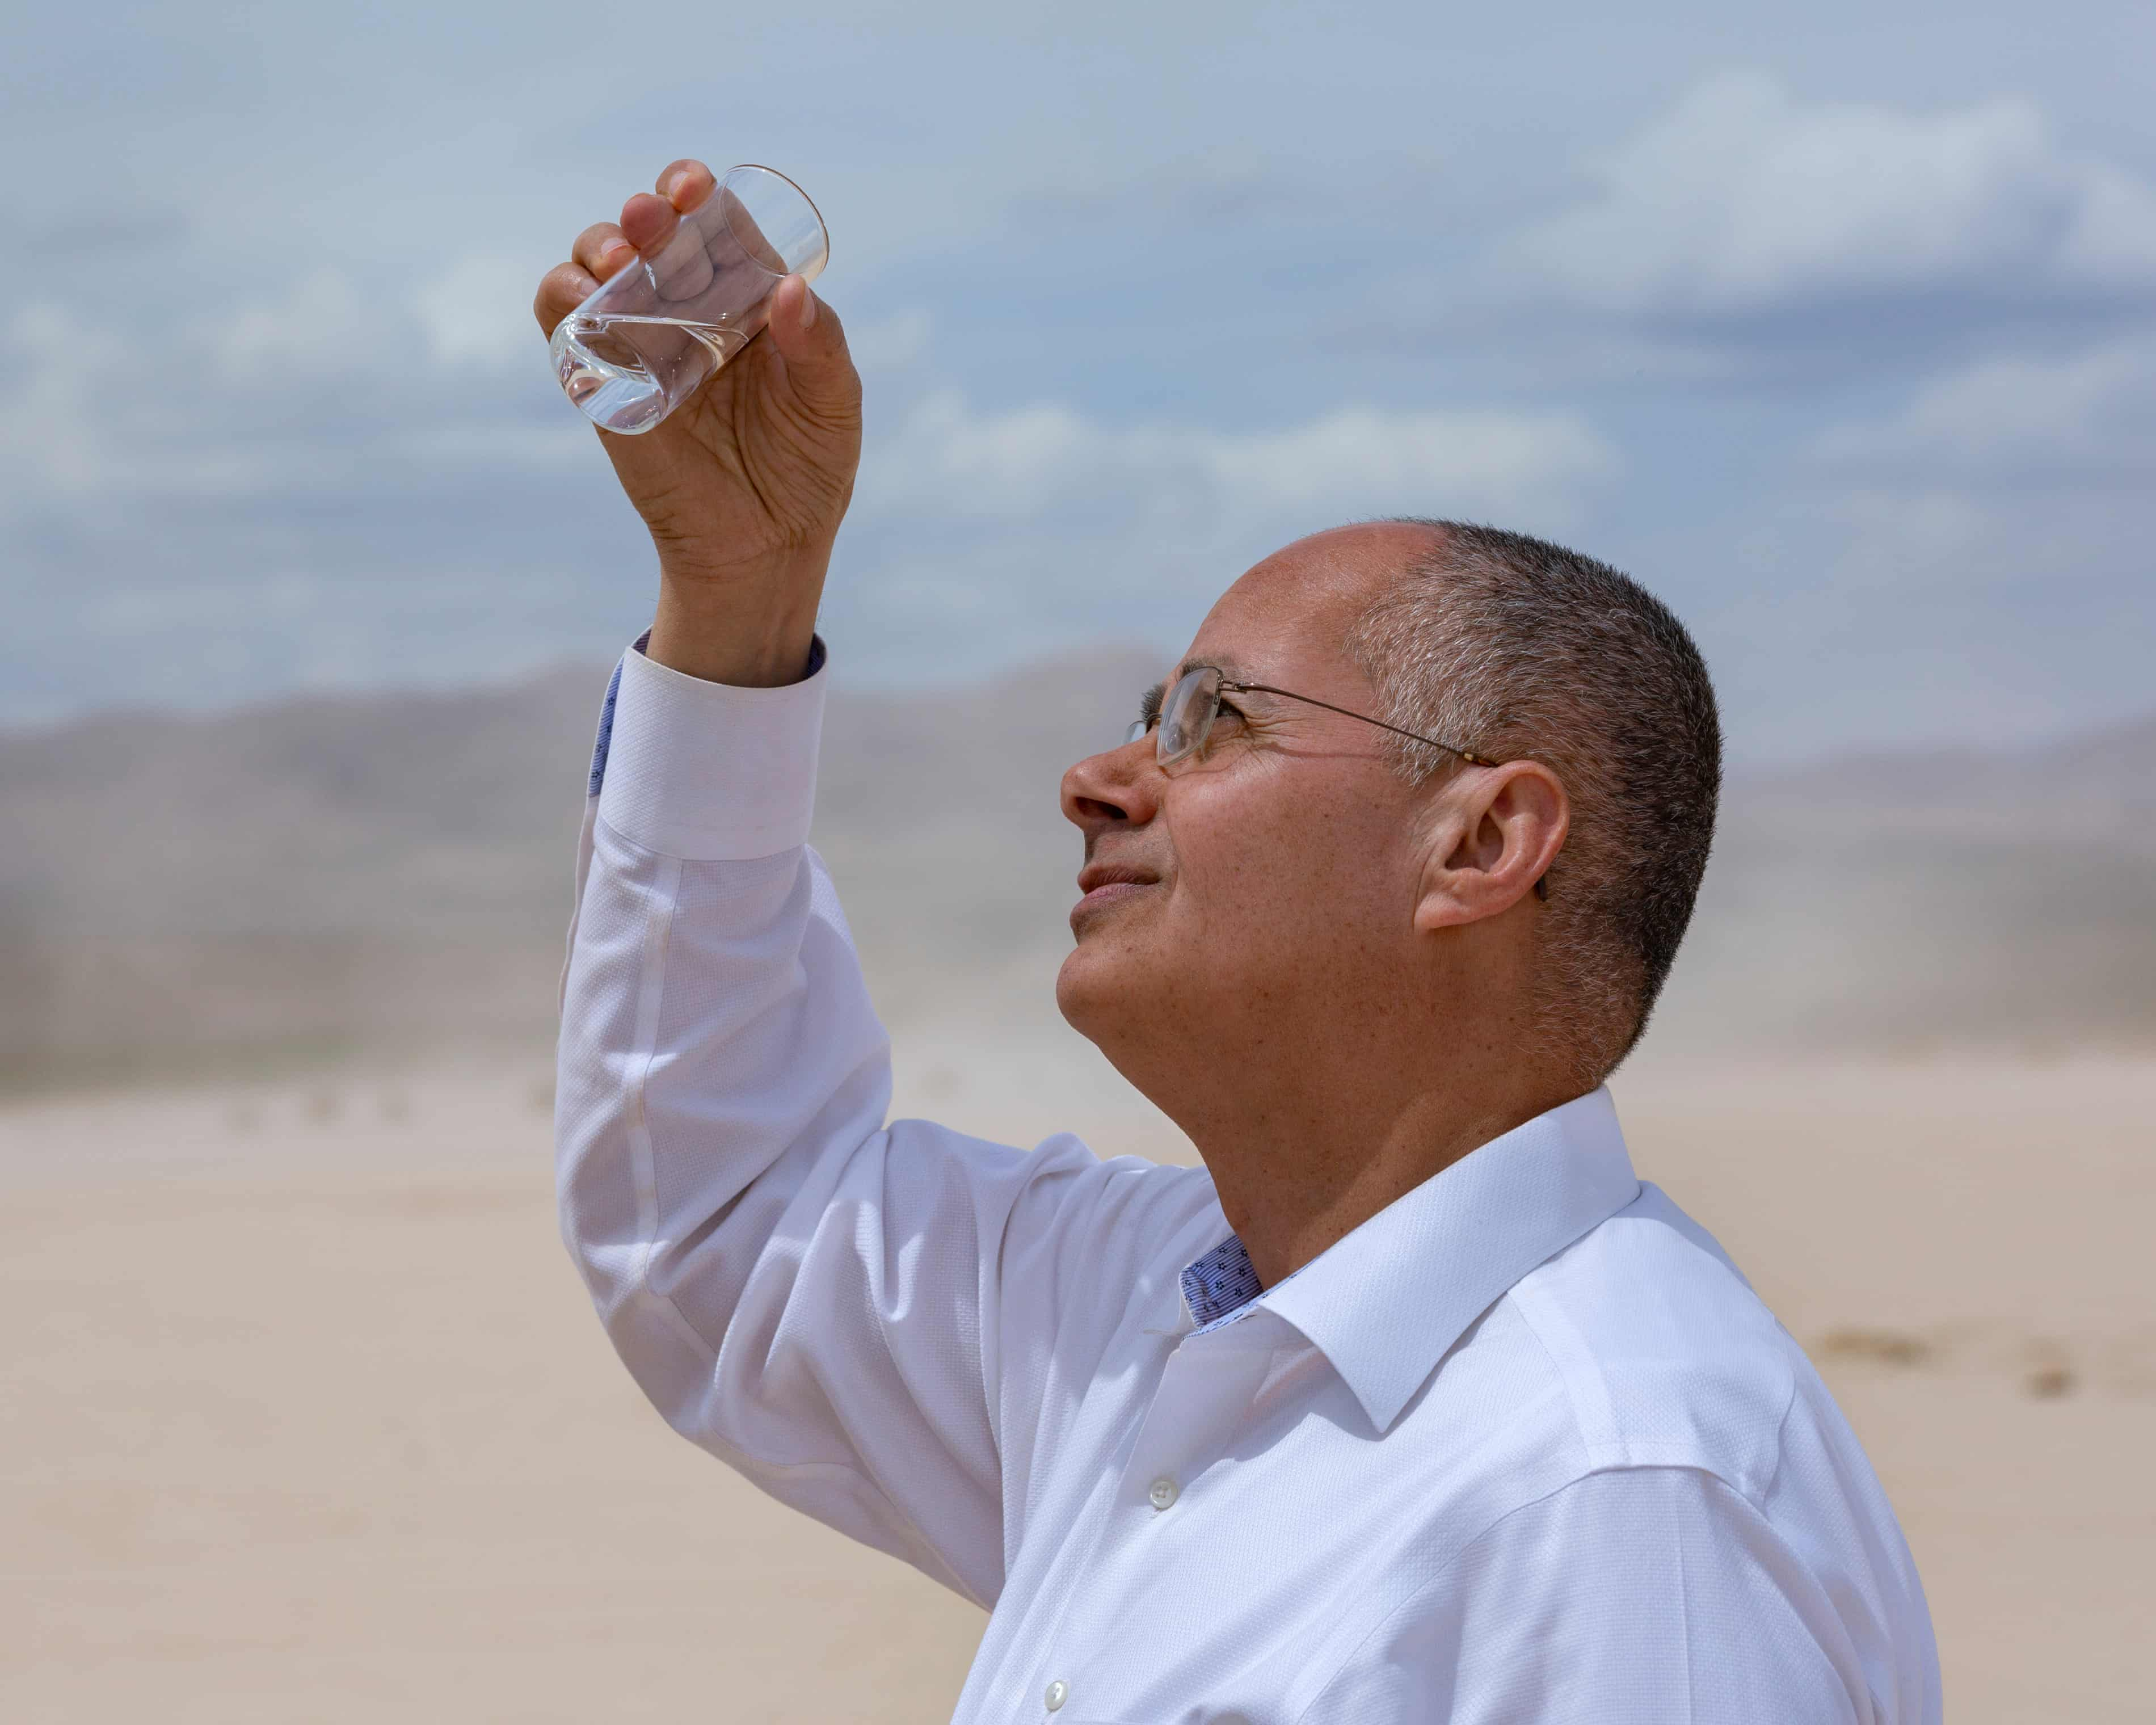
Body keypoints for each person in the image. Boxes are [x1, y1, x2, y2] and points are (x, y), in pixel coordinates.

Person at [538, 158, 1941, 1724]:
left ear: (1478, 843)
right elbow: (726, 1226)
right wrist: (738, 599)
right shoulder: (1147, 1308)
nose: (1097, 778)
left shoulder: (1613, 1491)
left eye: (1212, 722)